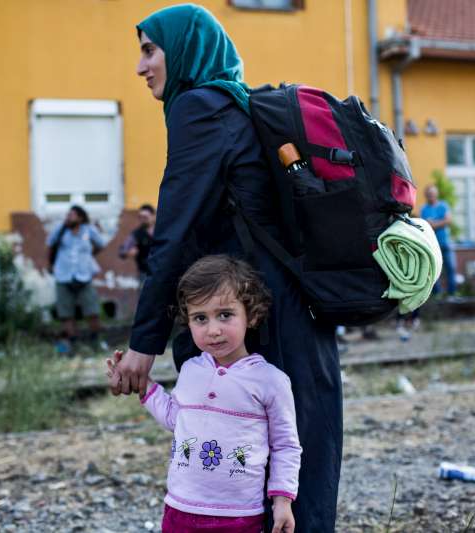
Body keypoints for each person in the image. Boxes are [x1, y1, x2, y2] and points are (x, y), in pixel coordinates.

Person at [109, 5, 341, 531]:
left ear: (185, 50)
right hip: (282, 316)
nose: (141, 67)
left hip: (259, 327)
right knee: (294, 472)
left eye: (150, 51)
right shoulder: (233, 104)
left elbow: (171, 232)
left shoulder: (199, 108)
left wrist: (145, 343)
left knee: (260, 486)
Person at [107, 255, 300, 533]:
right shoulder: (190, 370)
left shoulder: (271, 381)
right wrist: (143, 383)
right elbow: (176, 418)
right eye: (200, 318)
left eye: (225, 315)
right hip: (180, 508)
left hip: (240, 515)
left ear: (252, 314)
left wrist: (282, 500)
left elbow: (285, 446)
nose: (213, 330)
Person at [46, 205, 106, 352]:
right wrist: (50, 264)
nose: (68, 217)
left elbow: (101, 244)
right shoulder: (60, 230)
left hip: (84, 276)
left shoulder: (88, 230)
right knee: (66, 313)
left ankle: (97, 341)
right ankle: (71, 343)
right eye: (67, 215)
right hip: (63, 275)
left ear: (80, 217)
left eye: (72, 215)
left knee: (92, 310)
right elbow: (50, 245)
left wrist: (88, 256)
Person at [420, 185, 458, 300]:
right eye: (429, 194)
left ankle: (452, 294)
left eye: (433, 194)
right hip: (432, 244)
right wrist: (439, 223)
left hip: (445, 243)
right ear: (426, 196)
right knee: (434, 270)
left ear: (436, 194)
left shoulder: (443, 205)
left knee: (450, 268)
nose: (431, 196)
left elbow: (448, 220)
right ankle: (438, 294)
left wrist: (433, 224)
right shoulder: (424, 208)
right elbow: (425, 224)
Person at [118, 204, 156, 284]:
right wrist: (128, 252)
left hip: (163, 270)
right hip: (145, 272)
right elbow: (122, 251)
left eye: (145, 217)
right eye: (140, 217)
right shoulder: (136, 234)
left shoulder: (162, 231)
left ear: (153, 216)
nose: (142, 219)